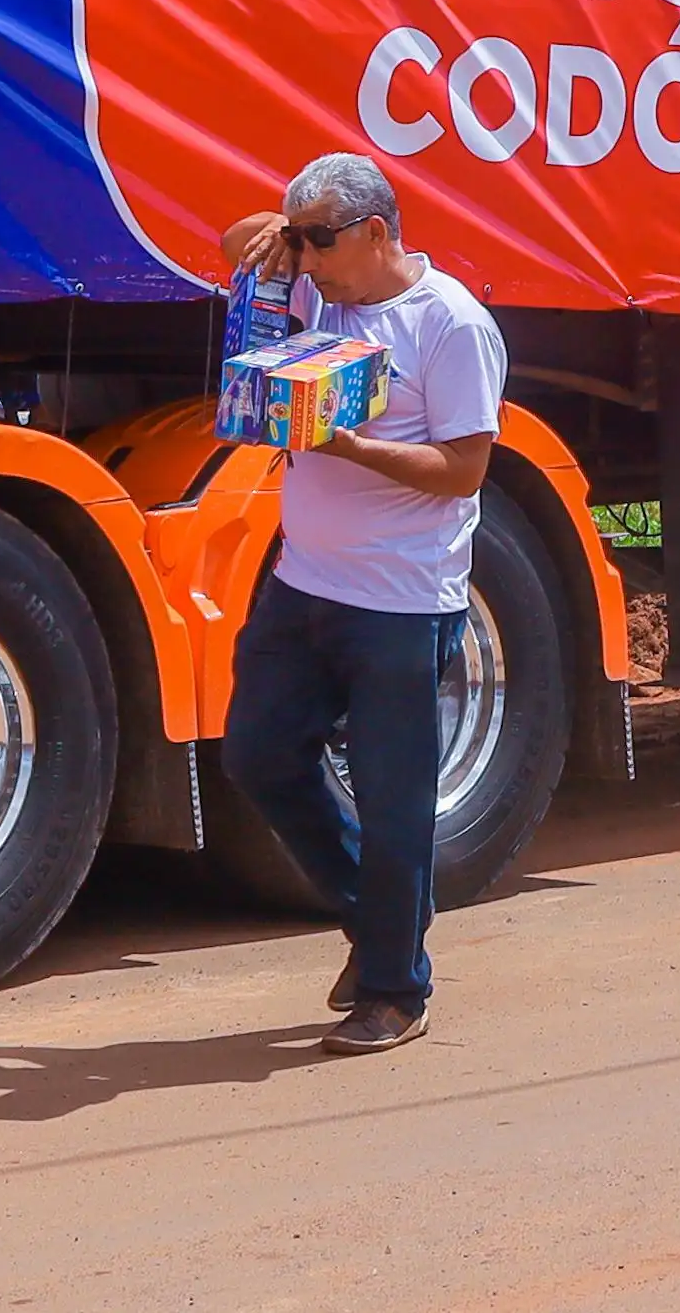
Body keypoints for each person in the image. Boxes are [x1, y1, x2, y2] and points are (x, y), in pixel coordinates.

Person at [217, 152, 509, 1057]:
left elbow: (464, 470)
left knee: (395, 797)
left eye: (320, 241)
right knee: (257, 754)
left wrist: (347, 445)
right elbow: (231, 252)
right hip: (303, 581)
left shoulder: (448, 323)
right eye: (296, 239)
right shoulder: (317, 297)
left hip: (403, 598)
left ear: (377, 231)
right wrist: (267, 231)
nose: (304, 260)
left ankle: (394, 987)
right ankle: (383, 915)